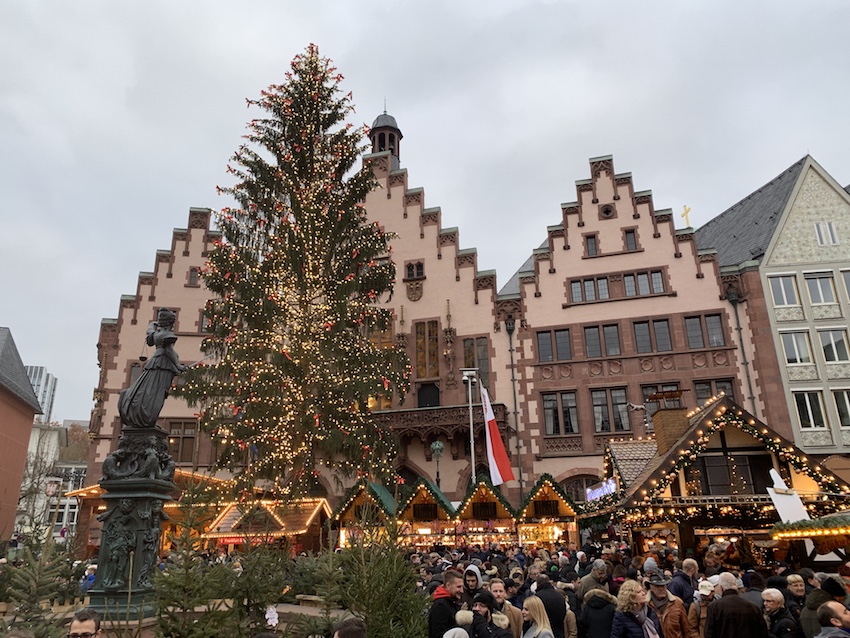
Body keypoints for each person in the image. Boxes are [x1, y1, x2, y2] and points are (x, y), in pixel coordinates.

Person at [118, 307, 188, 428]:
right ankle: (147, 417)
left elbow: (149, 331)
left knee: (149, 390)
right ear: (171, 323)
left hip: (156, 363)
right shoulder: (167, 335)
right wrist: (177, 365)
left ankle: (145, 416)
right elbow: (169, 351)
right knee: (157, 393)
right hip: (162, 366)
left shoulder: (156, 334)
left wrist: (152, 324)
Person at [704, 572, 768, 638]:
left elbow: (709, 633)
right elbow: (762, 632)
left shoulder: (714, 607)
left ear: (721, 588)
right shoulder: (752, 607)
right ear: (736, 586)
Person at [646, 571, 692, 638]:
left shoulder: (677, 603)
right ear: (651, 587)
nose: (661, 589)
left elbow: (686, 630)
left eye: (663, 586)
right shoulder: (645, 604)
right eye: (657, 586)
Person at [429, 569, 463, 638]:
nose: (462, 591)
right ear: (448, 586)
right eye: (458, 587)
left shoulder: (451, 603)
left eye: (462, 587)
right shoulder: (440, 606)